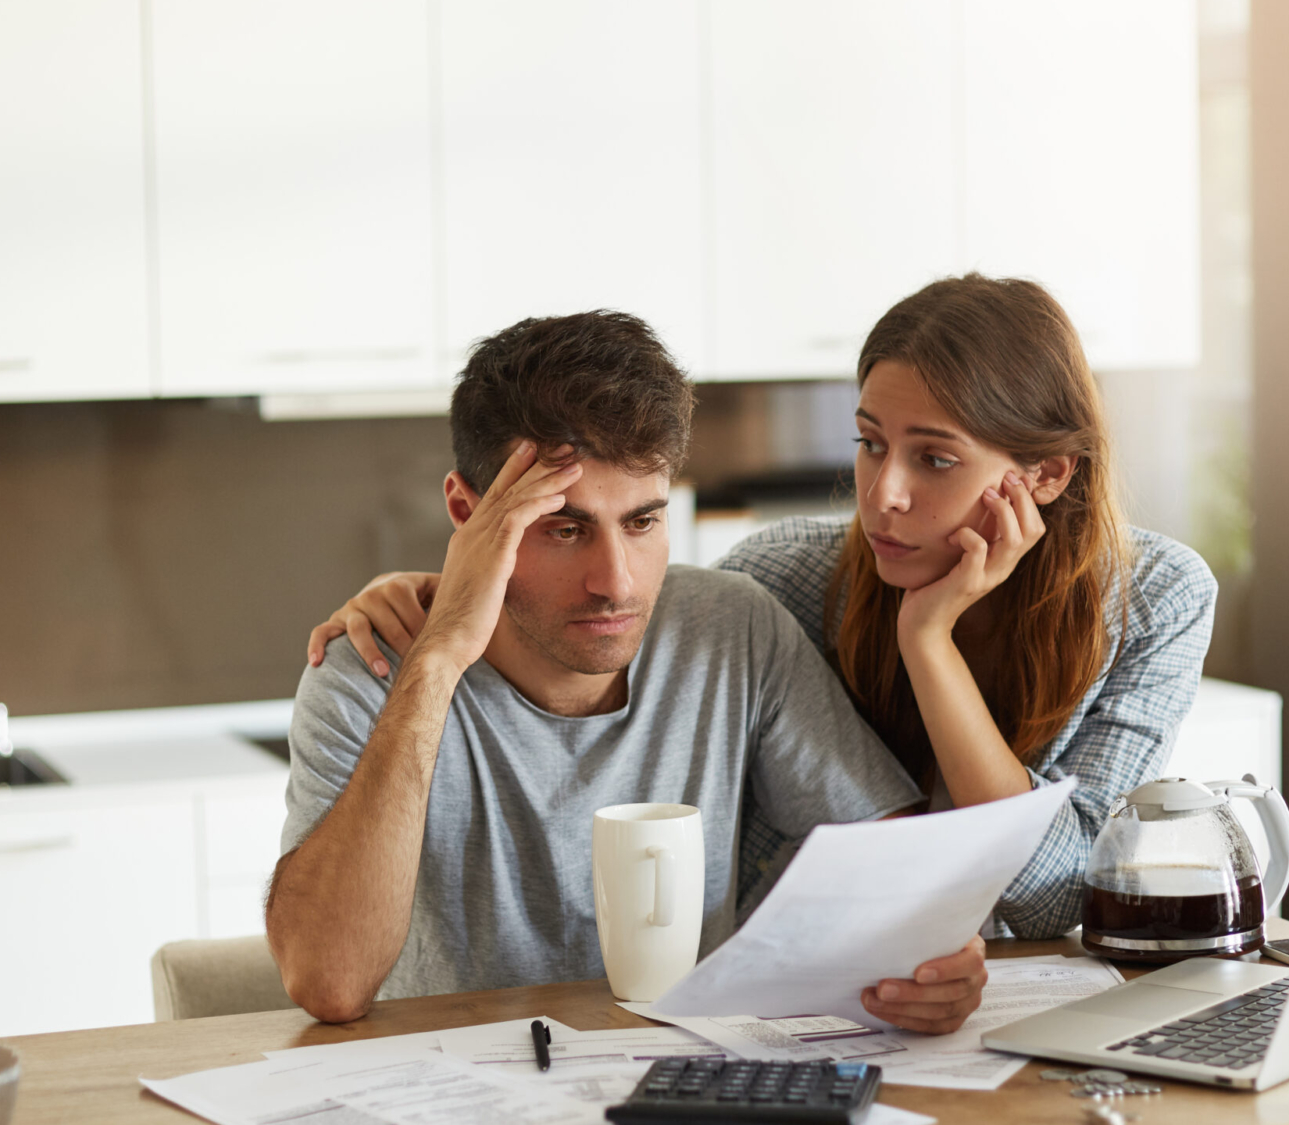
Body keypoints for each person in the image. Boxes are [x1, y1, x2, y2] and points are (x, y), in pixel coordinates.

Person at [306, 275, 1219, 943]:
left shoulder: (1155, 601)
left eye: (934, 460)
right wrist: (443, 600)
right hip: (813, 994)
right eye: (868, 445)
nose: (883, 496)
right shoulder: (779, 581)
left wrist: (927, 641)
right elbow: (612, 614)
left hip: (983, 989)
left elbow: (1051, 894)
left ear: (1047, 474)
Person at [267, 310, 991, 1031]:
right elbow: (329, 983)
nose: (615, 581)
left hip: (683, 1081)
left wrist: (934, 961)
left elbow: (901, 871)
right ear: (466, 511)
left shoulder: (732, 628)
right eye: (563, 527)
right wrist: (438, 659)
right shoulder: (367, 667)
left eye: (642, 521)